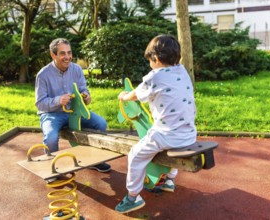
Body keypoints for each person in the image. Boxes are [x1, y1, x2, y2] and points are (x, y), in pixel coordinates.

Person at [115, 35, 197, 213]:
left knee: (135, 155)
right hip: (190, 134)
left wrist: (124, 96)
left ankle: (132, 197)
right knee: (165, 142)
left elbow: (135, 94)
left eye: (150, 61)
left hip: (166, 135)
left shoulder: (154, 77)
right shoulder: (182, 71)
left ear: (156, 59)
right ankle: (169, 179)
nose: (150, 65)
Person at [35, 38, 111, 173]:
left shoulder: (76, 69)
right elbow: (40, 104)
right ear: (53, 55)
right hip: (52, 114)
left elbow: (83, 89)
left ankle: (95, 160)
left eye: (69, 53)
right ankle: (52, 169)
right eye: (62, 53)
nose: (67, 57)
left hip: (74, 111)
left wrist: (86, 96)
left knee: (101, 123)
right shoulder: (43, 75)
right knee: (51, 137)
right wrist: (58, 100)